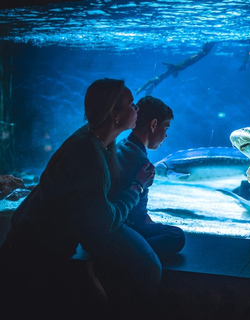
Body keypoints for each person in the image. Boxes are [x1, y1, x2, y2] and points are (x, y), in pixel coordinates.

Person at [0, 79, 159, 318]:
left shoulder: (94, 141)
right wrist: (136, 187)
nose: (136, 109)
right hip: (31, 259)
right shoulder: (89, 155)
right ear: (114, 115)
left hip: (37, 250)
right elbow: (104, 223)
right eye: (131, 104)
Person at [116, 95, 185, 259]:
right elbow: (137, 213)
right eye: (166, 128)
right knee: (176, 236)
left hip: (119, 220)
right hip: (125, 226)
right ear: (153, 124)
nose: (166, 136)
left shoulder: (122, 146)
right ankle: (125, 253)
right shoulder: (140, 160)